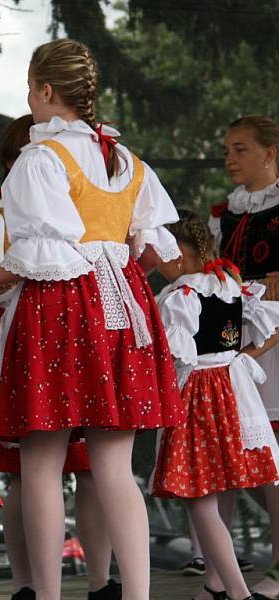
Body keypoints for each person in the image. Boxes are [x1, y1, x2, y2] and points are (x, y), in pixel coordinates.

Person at [0, 39, 185, 600]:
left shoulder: (42, 159)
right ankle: (135, 593)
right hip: (123, 309)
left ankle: (47, 595)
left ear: (44, 90)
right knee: (114, 463)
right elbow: (148, 250)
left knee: (40, 461)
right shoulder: (127, 160)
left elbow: (43, 252)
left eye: (30, 89)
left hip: (62, 306)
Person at [0, 113, 120, 600]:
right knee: (27, 467)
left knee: (88, 466)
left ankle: (101, 580)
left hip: (74, 340)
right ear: (13, 162)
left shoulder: (79, 214)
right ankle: (27, 584)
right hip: (16, 340)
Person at [150, 208, 279, 600]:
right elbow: (271, 324)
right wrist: (241, 358)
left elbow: (174, 357)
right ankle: (215, 586)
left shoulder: (180, 296)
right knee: (216, 490)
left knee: (200, 498)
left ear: (176, 252)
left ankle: (237, 593)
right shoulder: (228, 284)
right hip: (231, 393)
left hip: (197, 397)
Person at [211, 115, 279, 600]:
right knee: (245, 452)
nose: (230, 159)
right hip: (239, 343)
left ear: (270, 152)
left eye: (240, 149)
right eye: (227, 150)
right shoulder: (227, 213)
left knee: (272, 452)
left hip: (273, 340)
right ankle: (220, 571)